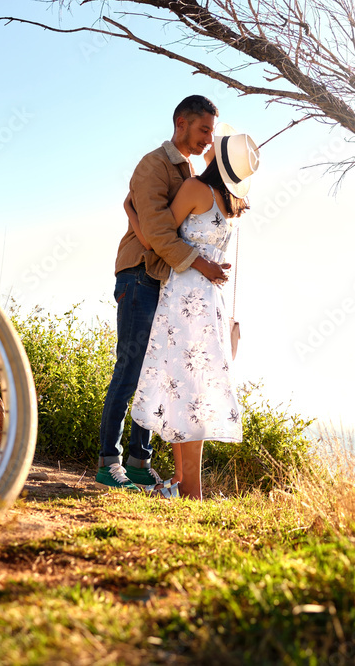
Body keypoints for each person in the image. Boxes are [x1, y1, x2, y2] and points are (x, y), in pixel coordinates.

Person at [96, 95, 233, 491]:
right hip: (139, 274)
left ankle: (140, 462)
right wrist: (199, 263)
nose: (209, 139)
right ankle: (110, 462)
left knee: (160, 372)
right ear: (181, 123)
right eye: (203, 129)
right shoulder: (153, 165)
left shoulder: (189, 171)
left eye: (212, 131)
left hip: (166, 281)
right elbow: (157, 234)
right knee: (131, 368)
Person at [129, 125, 260, 499]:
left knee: (184, 388)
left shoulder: (194, 190)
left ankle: (193, 491)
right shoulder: (230, 204)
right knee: (190, 390)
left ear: (216, 157)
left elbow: (156, 238)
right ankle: (186, 486)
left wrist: (131, 210)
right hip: (210, 302)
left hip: (184, 295)